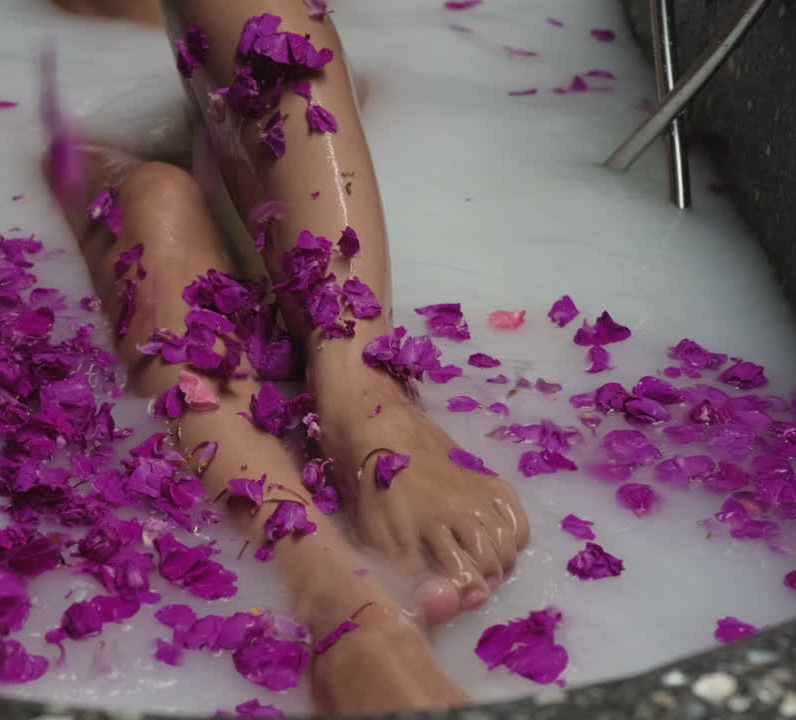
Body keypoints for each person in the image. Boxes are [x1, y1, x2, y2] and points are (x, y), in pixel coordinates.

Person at [50, 1, 529, 713]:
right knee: (151, 202)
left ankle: (359, 383)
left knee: (238, 52)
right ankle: (330, 593)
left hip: (245, 112)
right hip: (84, 126)